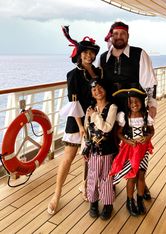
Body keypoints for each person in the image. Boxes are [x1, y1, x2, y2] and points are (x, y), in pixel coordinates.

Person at [100, 21, 157, 199]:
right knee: (114, 146)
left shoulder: (139, 54)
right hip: (112, 108)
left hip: (134, 107)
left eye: (122, 34)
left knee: (137, 145)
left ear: (128, 36)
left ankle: (140, 183)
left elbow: (150, 82)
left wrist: (152, 104)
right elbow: (100, 83)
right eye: (115, 34)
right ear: (111, 36)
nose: (119, 37)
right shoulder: (104, 57)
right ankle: (115, 180)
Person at [47, 26, 101, 215]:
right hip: (76, 120)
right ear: (79, 54)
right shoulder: (73, 75)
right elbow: (74, 102)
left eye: (91, 52)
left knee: (90, 158)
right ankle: (56, 194)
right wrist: (80, 127)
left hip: (95, 120)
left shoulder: (98, 73)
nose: (88, 55)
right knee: (68, 158)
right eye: (85, 52)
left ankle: (86, 185)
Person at [110, 87, 154, 216]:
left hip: (143, 150)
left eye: (137, 101)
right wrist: (127, 140)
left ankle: (139, 200)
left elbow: (152, 130)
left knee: (141, 175)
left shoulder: (146, 116)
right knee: (132, 176)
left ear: (141, 101)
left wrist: (147, 137)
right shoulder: (125, 116)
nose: (134, 104)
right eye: (131, 102)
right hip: (130, 150)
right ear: (127, 104)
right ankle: (130, 201)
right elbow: (118, 133)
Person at [83, 79, 118, 220]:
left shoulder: (112, 107)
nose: (97, 91)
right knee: (92, 177)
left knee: (107, 178)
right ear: (91, 93)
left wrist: (94, 116)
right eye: (94, 89)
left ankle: (108, 204)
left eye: (100, 87)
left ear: (105, 89)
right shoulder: (90, 109)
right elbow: (87, 130)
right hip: (94, 151)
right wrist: (85, 147)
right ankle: (93, 203)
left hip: (108, 150)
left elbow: (107, 128)